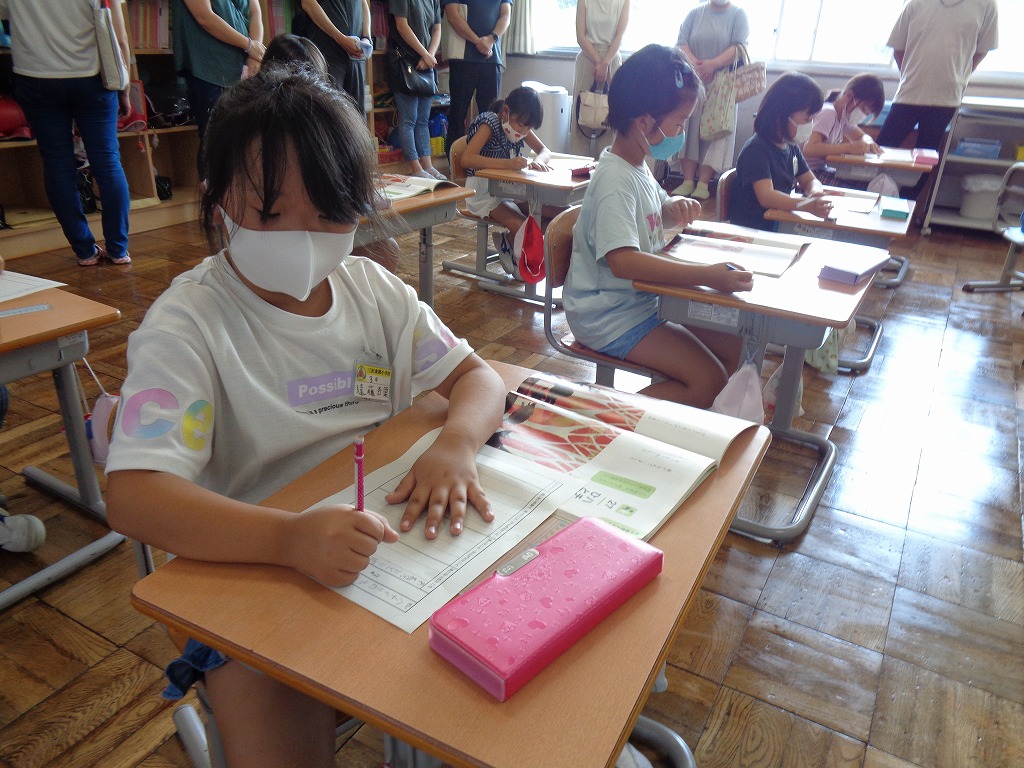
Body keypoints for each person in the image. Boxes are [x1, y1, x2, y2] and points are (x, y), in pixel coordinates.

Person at [103, 67, 506, 767]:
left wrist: (459, 445)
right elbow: (136, 496)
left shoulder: (370, 290)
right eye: (270, 214)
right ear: (218, 196)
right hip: (249, 560)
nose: (303, 237)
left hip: (380, 544)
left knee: (484, 693)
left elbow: (478, 377)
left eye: (329, 214)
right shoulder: (189, 327)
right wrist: (289, 540)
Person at [562, 44, 752, 409]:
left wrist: (670, 208)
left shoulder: (636, 163)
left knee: (736, 345)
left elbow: (648, 212)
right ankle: (608, 417)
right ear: (645, 122)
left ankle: (685, 420)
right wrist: (706, 275)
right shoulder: (615, 179)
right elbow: (625, 262)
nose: (682, 132)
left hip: (639, 300)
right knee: (708, 381)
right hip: (610, 315)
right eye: (679, 123)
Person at [0, 0, 132, 266]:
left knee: (57, 165)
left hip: (35, 77)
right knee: (107, 162)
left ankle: (84, 251)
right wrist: (125, 87)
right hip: (92, 75)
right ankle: (118, 249)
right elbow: (119, 37)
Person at [262, 32, 402, 273]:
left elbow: (347, 176)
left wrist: (363, 195)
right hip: (283, 231)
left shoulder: (327, 119)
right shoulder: (258, 122)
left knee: (386, 251)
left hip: (324, 222)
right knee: (381, 251)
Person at [876, 0, 998, 198]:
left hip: (946, 98)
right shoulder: (915, 2)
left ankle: (906, 207)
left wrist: (959, 76)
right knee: (880, 149)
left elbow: (981, 50)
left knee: (926, 158)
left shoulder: (987, 4)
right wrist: (910, 74)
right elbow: (898, 47)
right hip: (909, 92)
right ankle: (862, 197)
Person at [460, 86, 552, 271]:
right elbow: (467, 159)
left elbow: (545, 150)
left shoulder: (519, 125)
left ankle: (509, 242)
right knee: (523, 225)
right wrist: (507, 164)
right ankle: (517, 256)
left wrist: (538, 161)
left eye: (529, 128)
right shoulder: (490, 123)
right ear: (506, 112)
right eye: (521, 125)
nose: (523, 131)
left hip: (507, 191)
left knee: (555, 216)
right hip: (482, 192)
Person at [729, 72, 833, 232]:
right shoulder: (757, 148)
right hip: (755, 229)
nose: (810, 124)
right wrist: (804, 205)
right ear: (782, 114)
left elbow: (809, 180)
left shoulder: (791, 147)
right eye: (807, 119)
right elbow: (766, 196)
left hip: (778, 221)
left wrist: (815, 193)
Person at [173, 0, 266, 174]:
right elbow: (205, 17)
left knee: (246, 140)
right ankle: (215, 199)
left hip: (244, 67)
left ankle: (241, 198)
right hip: (208, 67)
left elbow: (255, 13)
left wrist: (255, 54)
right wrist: (249, 45)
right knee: (215, 140)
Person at [670, 0, 750, 200]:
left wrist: (712, 65)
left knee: (715, 129)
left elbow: (739, 47)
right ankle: (687, 180)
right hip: (692, 78)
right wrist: (697, 66)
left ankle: (704, 183)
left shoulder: (739, 15)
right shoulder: (695, 13)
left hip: (722, 83)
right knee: (689, 128)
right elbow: (681, 43)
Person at [442, 0, 511, 153]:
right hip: (462, 58)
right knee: (457, 114)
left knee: (492, 116)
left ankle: (488, 159)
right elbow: (452, 14)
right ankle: (455, 165)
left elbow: (506, 15)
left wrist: (491, 39)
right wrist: (478, 41)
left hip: (492, 59)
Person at [388, 0, 446, 179]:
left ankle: (428, 166)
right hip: (405, 62)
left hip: (426, 62)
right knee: (409, 119)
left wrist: (430, 55)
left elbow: (437, 28)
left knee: (423, 119)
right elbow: (401, 25)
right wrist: (425, 54)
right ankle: (415, 168)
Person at [569, 0, 630, 158]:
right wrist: (598, 62)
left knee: (611, 114)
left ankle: (607, 165)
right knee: (581, 114)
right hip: (587, 57)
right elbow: (580, 36)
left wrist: (606, 62)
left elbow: (620, 35)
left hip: (612, 59)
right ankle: (578, 168)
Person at [801, 73, 885, 185]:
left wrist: (869, 142)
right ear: (848, 96)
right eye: (864, 109)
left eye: (868, 113)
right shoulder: (829, 113)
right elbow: (809, 149)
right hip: (807, 174)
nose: (864, 115)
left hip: (820, 170)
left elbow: (862, 136)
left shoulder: (844, 117)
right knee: (861, 186)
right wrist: (849, 147)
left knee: (865, 181)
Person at [292, 0, 373, 113]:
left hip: (356, 58)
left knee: (358, 119)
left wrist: (366, 37)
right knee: (332, 115)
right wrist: (340, 38)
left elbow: (364, 3)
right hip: (328, 56)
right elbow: (308, 3)